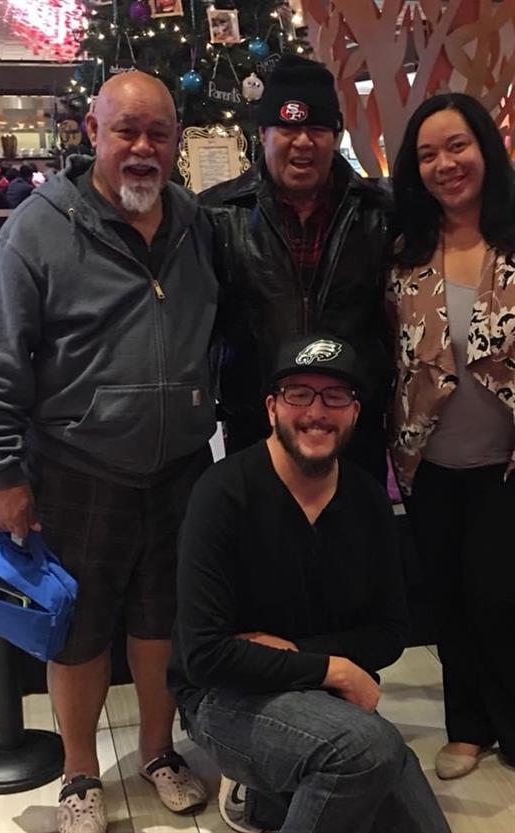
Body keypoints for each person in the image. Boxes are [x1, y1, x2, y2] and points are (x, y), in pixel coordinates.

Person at [0, 71, 218, 833]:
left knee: (160, 622)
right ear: (93, 134)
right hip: (77, 469)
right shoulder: (38, 228)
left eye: (158, 133)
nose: (142, 148)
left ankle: (157, 751)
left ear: (176, 142)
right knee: (77, 633)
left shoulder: (194, 222)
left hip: (180, 468)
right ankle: (79, 772)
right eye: (126, 131)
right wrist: (3, 474)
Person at [168, 334, 452, 833]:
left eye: (335, 396)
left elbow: (390, 632)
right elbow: (204, 655)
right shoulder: (222, 494)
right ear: (272, 407)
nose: (317, 412)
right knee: (365, 750)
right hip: (224, 696)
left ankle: (269, 802)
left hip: (322, 695)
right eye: (299, 394)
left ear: (355, 413)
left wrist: (304, 658)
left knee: (400, 794)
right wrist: (335, 667)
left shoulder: (367, 500)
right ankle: (270, 787)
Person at [388, 92, 515, 779]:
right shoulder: (403, 252)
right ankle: (467, 728)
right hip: (429, 464)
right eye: (427, 154)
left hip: (504, 463)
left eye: (457, 146)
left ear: (485, 149)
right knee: (450, 598)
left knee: (499, 598)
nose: (445, 164)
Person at [201, 54, 393, 482]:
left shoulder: (381, 214)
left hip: (353, 432)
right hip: (256, 430)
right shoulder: (216, 215)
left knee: (355, 527)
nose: (303, 141)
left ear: (335, 135)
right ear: (263, 134)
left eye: (317, 128)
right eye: (287, 128)